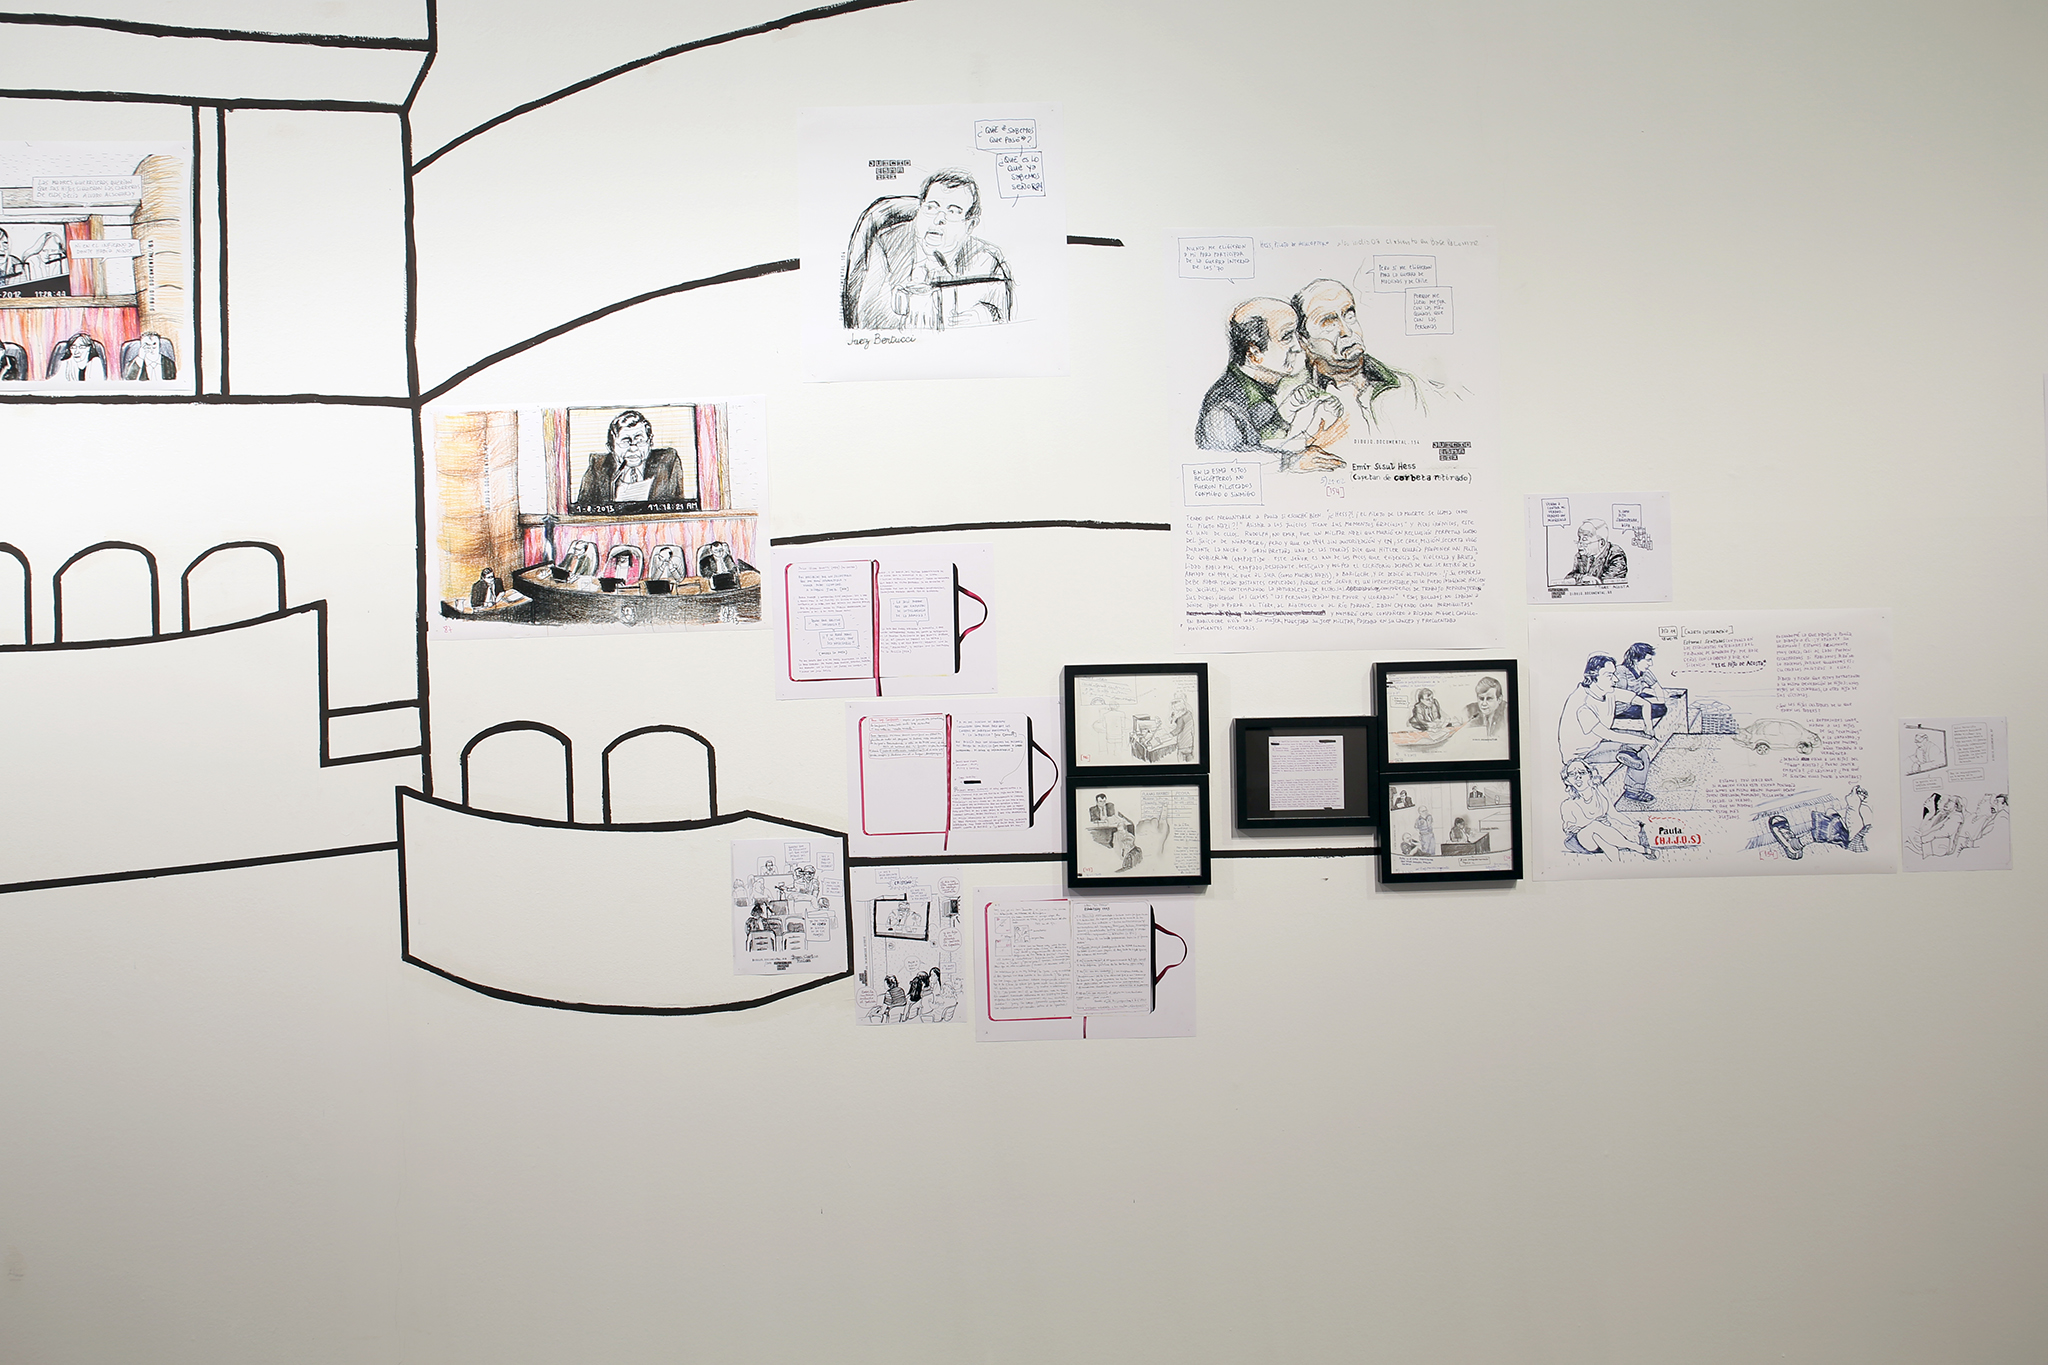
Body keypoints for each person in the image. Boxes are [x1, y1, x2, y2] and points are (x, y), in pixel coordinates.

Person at [843, 169, 1011, 331]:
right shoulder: (887, 246)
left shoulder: (987, 260)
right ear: (919, 210)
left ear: (970, 224)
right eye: (931, 208)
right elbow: (869, 319)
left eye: (953, 211)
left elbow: (1002, 315)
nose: (939, 219)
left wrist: (983, 316)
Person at [1194, 297, 1343, 467]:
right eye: (1287, 337)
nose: (1298, 346)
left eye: (1296, 334)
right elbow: (1226, 463)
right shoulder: (1224, 410)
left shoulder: (1274, 390)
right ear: (1254, 353)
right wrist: (1292, 462)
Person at [1289, 278, 1445, 435]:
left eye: (1349, 316)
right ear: (1304, 341)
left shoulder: (1406, 384)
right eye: (1328, 323)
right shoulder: (1291, 400)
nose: (1346, 331)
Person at [574, 410, 686, 507]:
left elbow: (677, 507)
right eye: (625, 442)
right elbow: (582, 509)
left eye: (639, 441)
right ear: (610, 447)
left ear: (650, 442)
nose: (633, 448)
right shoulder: (598, 467)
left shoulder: (667, 462)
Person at [1560, 760, 1654, 859]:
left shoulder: (1600, 790)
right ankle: (1638, 848)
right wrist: (1573, 827)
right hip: (1584, 840)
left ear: (1590, 775)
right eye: (1572, 774)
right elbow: (1569, 828)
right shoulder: (1568, 804)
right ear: (1567, 780)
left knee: (1610, 849)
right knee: (1595, 825)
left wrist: (1633, 824)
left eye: (1582, 772)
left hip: (1604, 835)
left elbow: (1613, 814)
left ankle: (1623, 861)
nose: (1577, 777)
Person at [1613, 642, 1667, 727]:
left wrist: (1662, 702)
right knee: (1658, 709)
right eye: (1648, 660)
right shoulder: (1621, 671)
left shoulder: (1644, 671)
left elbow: (1657, 687)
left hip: (1634, 701)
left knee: (1662, 708)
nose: (1651, 663)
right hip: (1622, 708)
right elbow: (1621, 695)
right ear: (1636, 660)